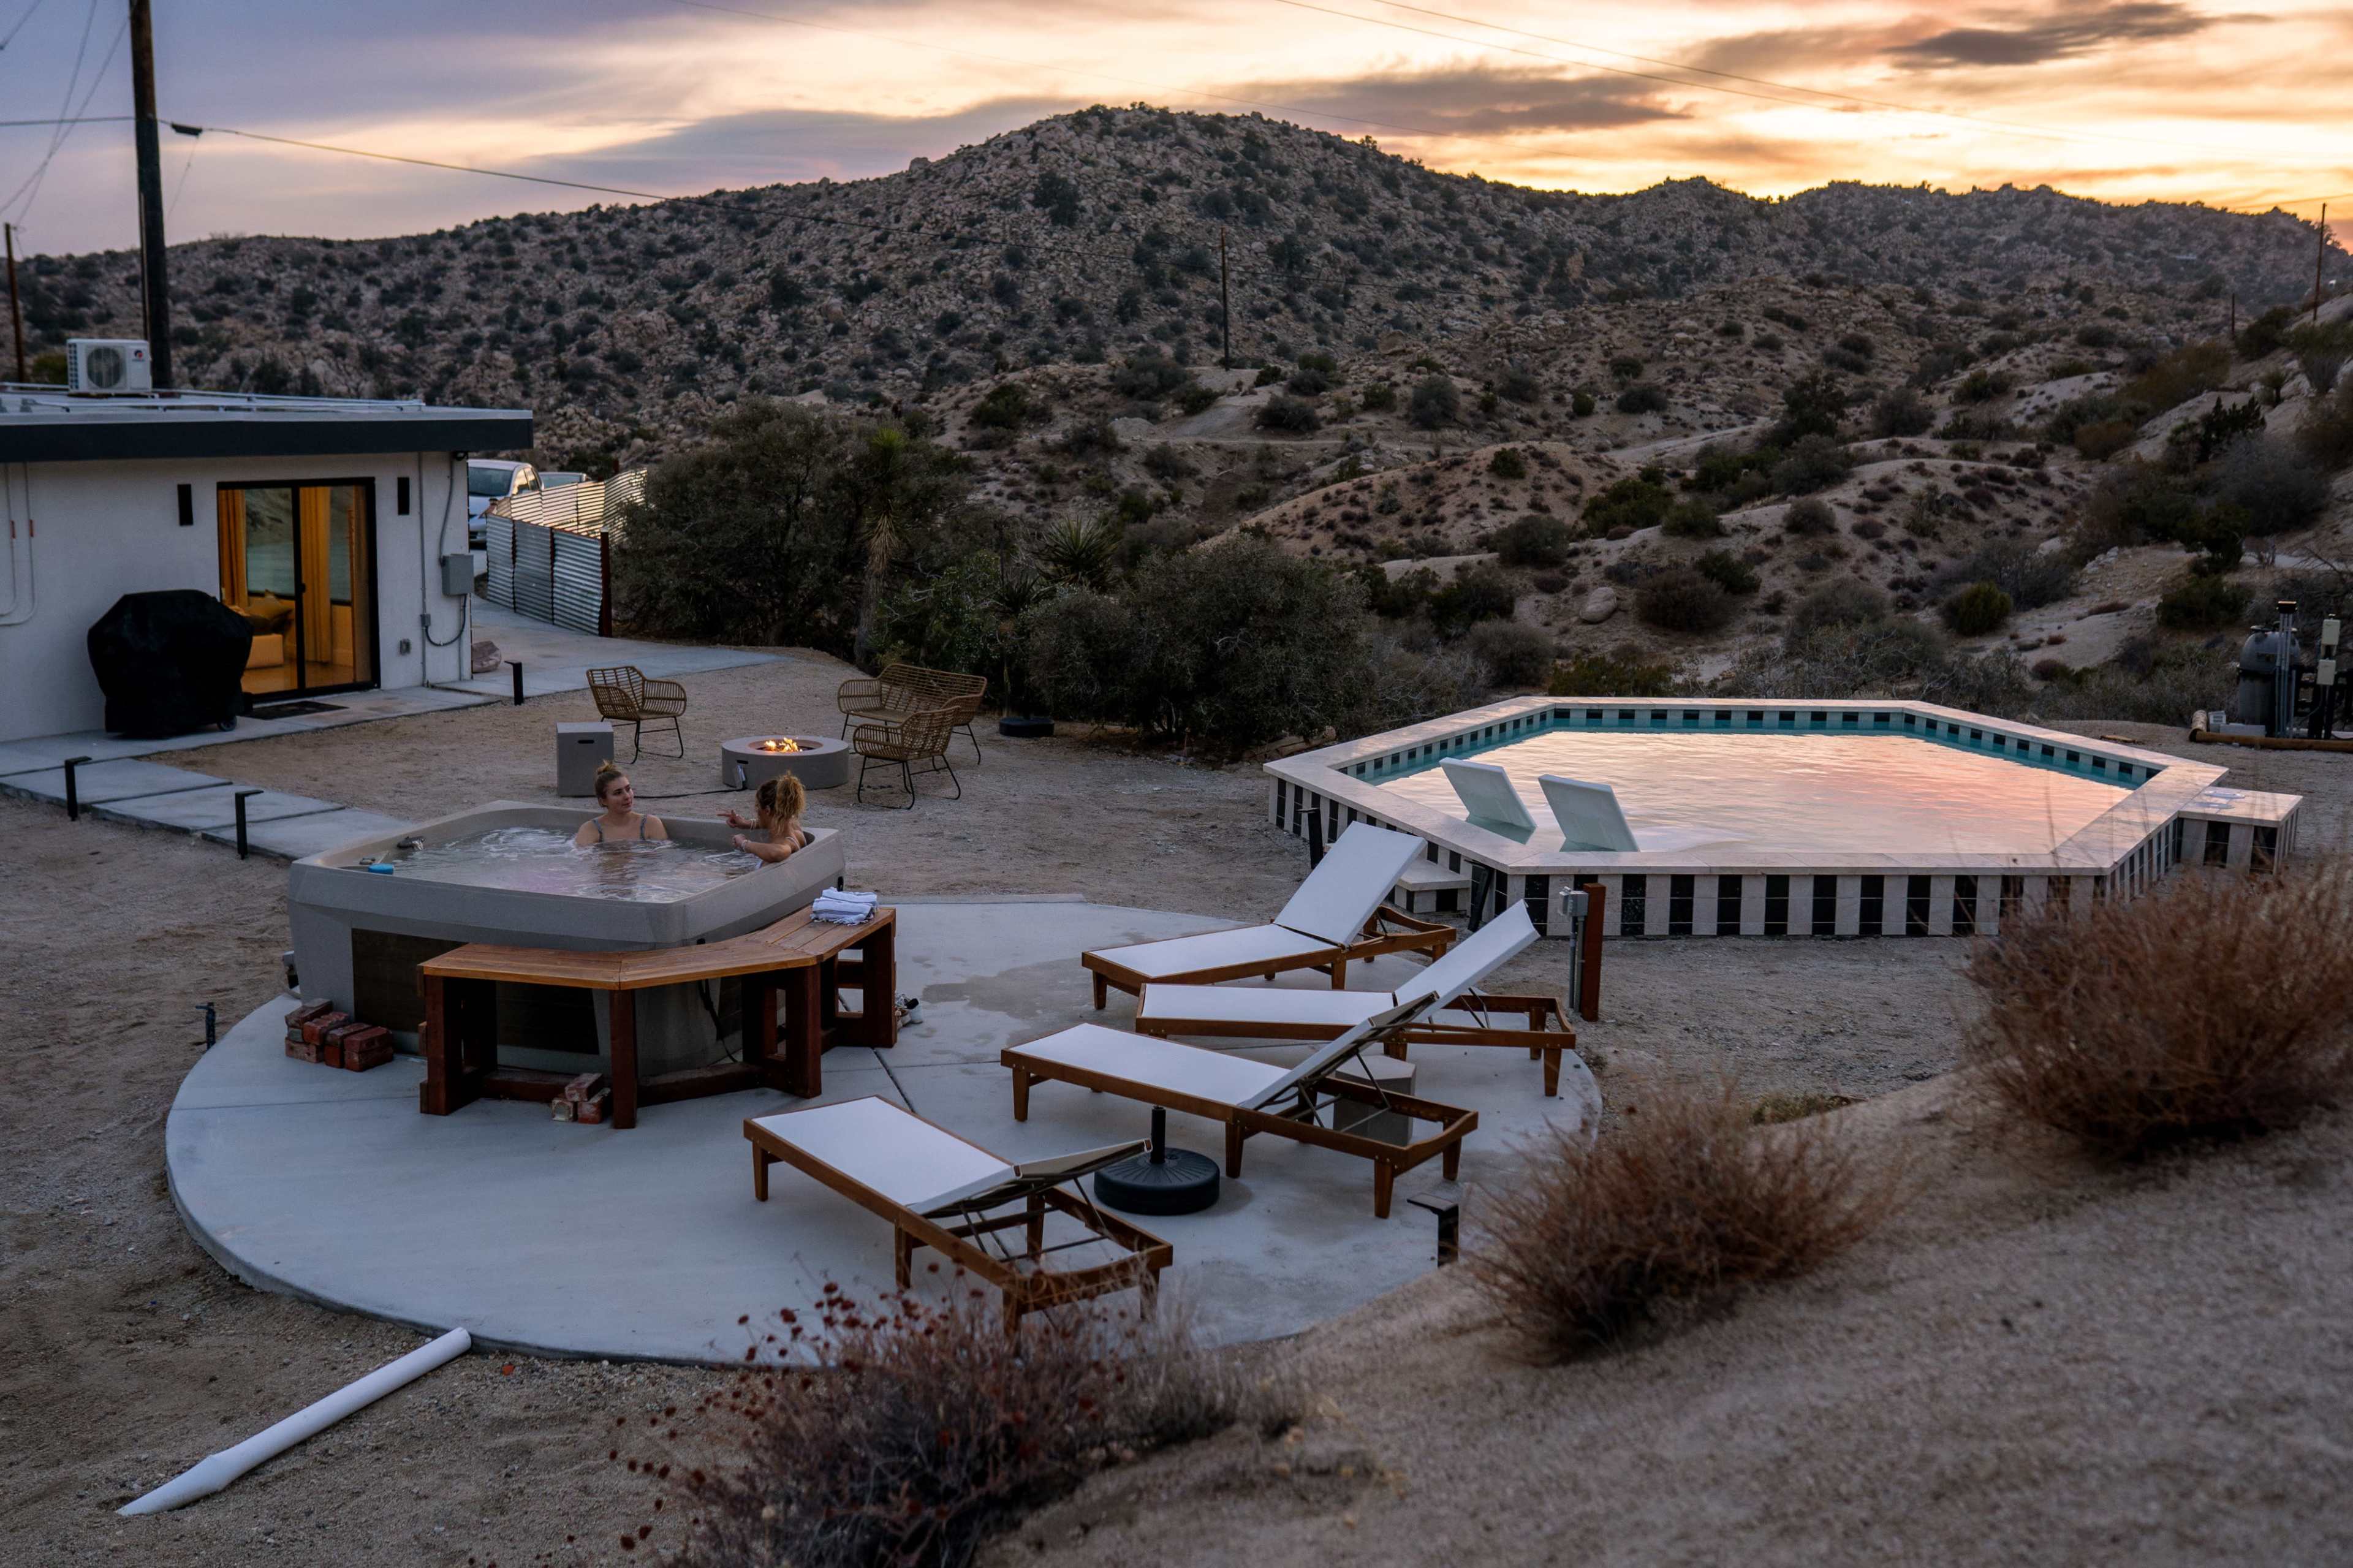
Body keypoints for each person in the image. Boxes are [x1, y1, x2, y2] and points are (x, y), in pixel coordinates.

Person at [573, 760, 669, 846]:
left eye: (628, 789)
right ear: (603, 801)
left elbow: (664, 860)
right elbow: (581, 861)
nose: (627, 796)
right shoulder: (590, 829)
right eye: (618, 793)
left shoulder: (651, 824)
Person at [722, 773, 809, 864]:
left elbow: (775, 853)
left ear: (767, 810)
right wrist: (747, 823)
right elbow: (778, 819)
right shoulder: (795, 830)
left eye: (757, 807)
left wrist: (744, 844)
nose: (757, 812)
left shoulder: (784, 843)